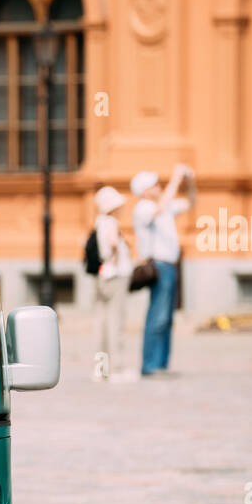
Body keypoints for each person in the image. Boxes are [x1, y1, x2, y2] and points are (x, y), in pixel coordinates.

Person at [131, 164, 196, 377]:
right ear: (144, 190)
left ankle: (161, 364)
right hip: (158, 266)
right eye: (155, 184)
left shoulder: (163, 206)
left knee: (167, 318)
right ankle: (149, 365)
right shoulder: (143, 208)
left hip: (170, 266)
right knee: (157, 316)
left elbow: (190, 203)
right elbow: (162, 206)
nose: (159, 186)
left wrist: (190, 182)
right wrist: (175, 179)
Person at [91, 185, 137, 383]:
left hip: (102, 276)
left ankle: (101, 370)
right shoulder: (111, 222)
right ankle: (117, 369)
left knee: (101, 323)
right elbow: (113, 244)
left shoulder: (99, 221)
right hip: (116, 277)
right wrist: (118, 258)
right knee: (116, 322)